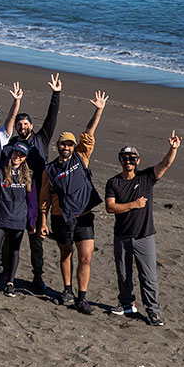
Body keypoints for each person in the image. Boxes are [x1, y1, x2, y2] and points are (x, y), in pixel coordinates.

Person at [38, 90, 108, 314]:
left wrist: (98, 109)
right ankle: (67, 290)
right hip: (60, 217)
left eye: (70, 144)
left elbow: (89, 132)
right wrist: (42, 221)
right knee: (66, 254)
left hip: (84, 215)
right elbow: (44, 198)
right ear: (58, 145)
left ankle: (82, 298)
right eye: (63, 144)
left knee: (85, 257)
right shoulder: (50, 169)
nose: (66, 147)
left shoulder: (81, 156)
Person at [104, 132, 181, 326]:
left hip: (144, 236)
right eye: (124, 158)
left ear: (137, 160)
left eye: (131, 158)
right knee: (123, 274)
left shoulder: (147, 177)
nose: (128, 161)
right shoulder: (113, 182)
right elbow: (110, 207)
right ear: (120, 161)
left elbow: (165, 164)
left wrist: (173, 148)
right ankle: (127, 304)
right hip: (121, 236)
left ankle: (153, 312)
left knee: (148, 276)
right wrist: (133, 204)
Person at [13, 73, 62, 293]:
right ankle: (7, 271)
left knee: (36, 238)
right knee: (12, 235)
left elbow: (52, 118)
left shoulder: (40, 138)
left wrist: (56, 94)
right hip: (16, 193)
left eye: (25, 124)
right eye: (19, 124)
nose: (22, 127)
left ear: (31, 126)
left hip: (38, 193)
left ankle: (38, 275)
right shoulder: (13, 144)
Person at [0, 143, 37, 297]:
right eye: (15, 154)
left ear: (25, 158)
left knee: (14, 251)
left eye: (21, 155)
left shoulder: (28, 175)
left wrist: (32, 221)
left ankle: (10, 283)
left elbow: (32, 201)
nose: (17, 157)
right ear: (11, 154)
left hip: (18, 220)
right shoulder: (0, 170)